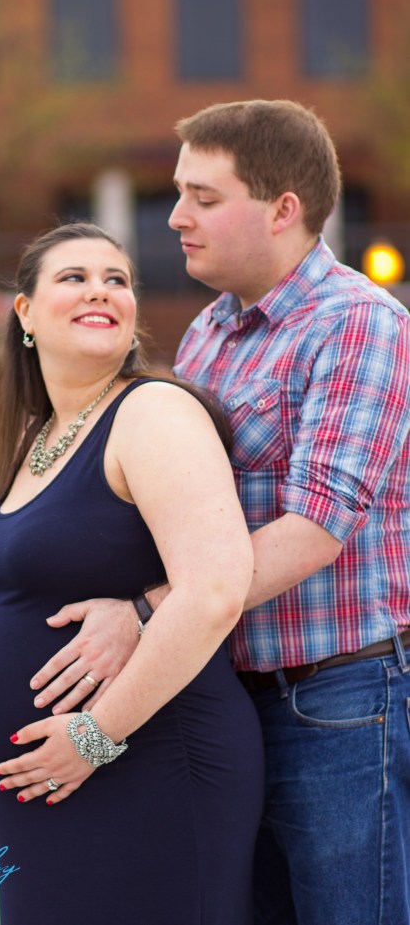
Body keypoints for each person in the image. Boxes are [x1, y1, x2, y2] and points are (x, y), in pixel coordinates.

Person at [25, 102, 410, 925]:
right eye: (177, 193)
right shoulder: (208, 336)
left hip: (338, 706)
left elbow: (315, 526)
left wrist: (144, 613)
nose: (175, 218)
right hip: (221, 705)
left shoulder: (361, 325)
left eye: (202, 196)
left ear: (282, 208)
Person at [0, 222, 264, 925]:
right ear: (25, 312)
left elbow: (215, 587)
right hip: (54, 787)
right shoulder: (37, 439)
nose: (101, 289)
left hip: (150, 762)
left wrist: (94, 733)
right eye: (74, 277)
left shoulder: (152, 411)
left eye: (116, 279)